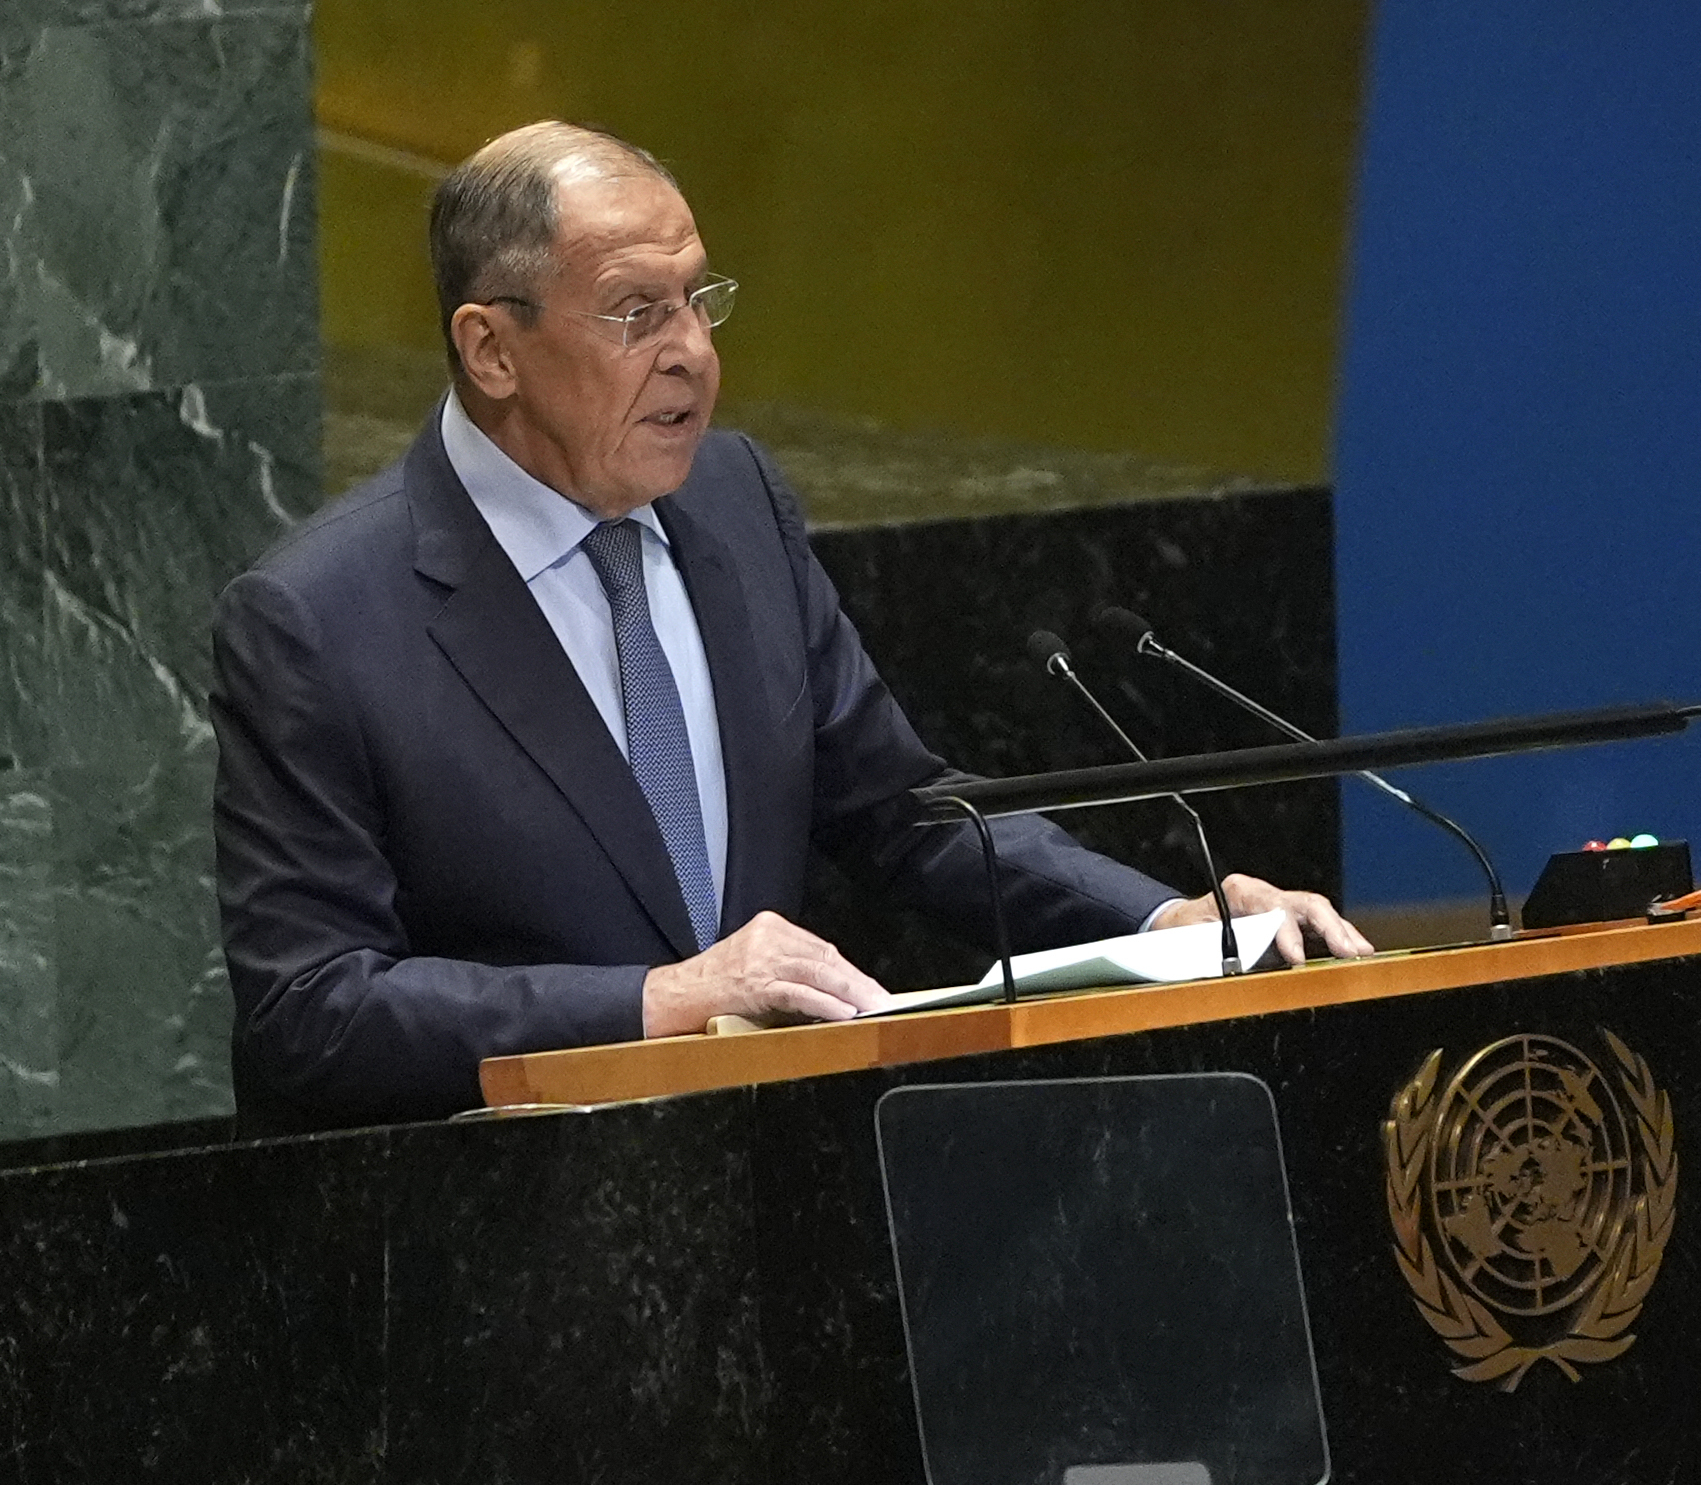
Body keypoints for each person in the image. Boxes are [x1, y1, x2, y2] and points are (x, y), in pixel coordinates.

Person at [211, 121, 1371, 1130]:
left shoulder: (734, 501)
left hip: (784, 1197)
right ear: (490, 348)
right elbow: (306, 1010)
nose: (694, 356)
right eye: (635, 314)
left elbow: (903, 814)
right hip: (510, 1250)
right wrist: (659, 1002)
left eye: (699, 301)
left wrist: (1167, 922)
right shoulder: (319, 620)